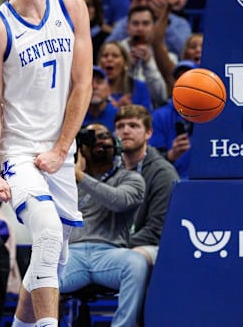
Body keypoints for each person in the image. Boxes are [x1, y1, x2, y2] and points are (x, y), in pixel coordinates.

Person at [0, 0, 93, 327]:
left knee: (54, 257)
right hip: (18, 153)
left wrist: (62, 150)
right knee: (45, 233)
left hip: (60, 152)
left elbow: (83, 85)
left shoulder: (73, 7)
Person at [59, 122, 147, 327]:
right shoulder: (65, 181)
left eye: (105, 136)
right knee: (39, 272)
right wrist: (69, 173)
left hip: (110, 254)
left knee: (136, 264)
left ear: (115, 145)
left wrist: (80, 176)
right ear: (81, 147)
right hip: (72, 253)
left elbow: (118, 201)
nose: (99, 140)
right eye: (92, 137)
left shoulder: (132, 179)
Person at [115, 104, 179, 266]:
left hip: (149, 247)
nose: (126, 131)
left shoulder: (162, 172)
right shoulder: (110, 168)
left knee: (133, 259)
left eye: (134, 125)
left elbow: (156, 231)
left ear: (149, 133)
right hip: (109, 245)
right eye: (120, 126)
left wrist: (112, 245)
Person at [98, 41, 153, 111]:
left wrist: (129, 111)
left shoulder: (139, 87)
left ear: (125, 62)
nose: (109, 59)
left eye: (115, 56)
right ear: (99, 62)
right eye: (105, 56)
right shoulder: (92, 88)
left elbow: (147, 118)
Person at [83, 66, 119, 132]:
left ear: (109, 89)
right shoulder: (73, 116)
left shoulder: (118, 116)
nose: (94, 87)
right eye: (89, 83)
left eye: (99, 82)